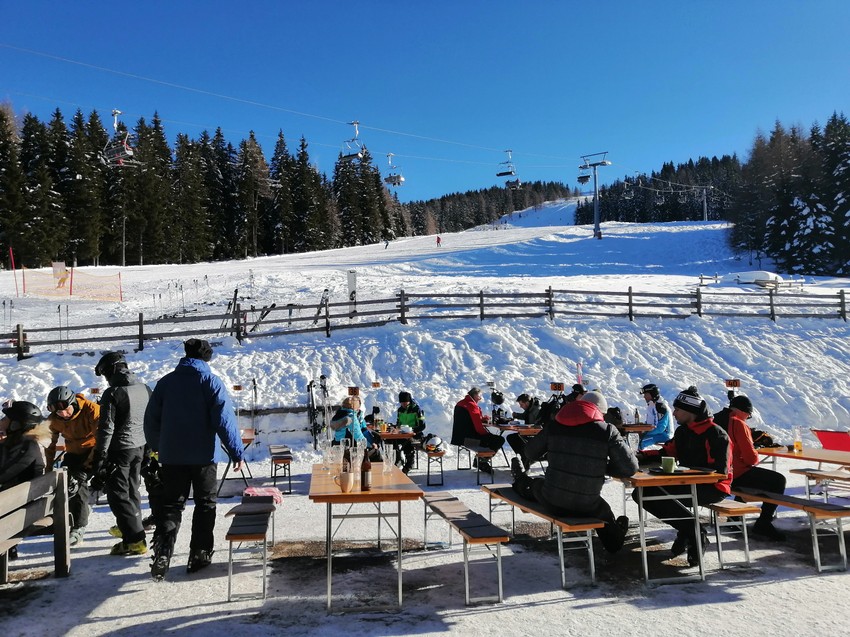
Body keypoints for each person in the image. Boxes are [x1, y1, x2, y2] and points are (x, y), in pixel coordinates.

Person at [144, 338, 244, 581]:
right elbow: (224, 420)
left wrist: (158, 447)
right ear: (207, 358)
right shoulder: (210, 381)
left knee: (171, 505)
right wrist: (236, 451)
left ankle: (163, 551)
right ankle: (199, 554)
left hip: (172, 456)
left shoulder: (166, 383)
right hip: (204, 456)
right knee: (205, 504)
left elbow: (151, 420)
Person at [511, 391, 637, 553]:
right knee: (603, 511)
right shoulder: (607, 431)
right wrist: (601, 465)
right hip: (588, 504)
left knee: (533, 486)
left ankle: (519, 478)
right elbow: (630, 468)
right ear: (599, 412)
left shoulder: (555, 425)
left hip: (552, 500)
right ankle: (614, 541)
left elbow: (530, 453)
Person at [634, 386, 731, 566]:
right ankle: (690, 531)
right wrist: (637, 457)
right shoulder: (683, 431)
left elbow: (720, 472)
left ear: (690, 411)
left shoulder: (715, 433)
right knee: (641, 493)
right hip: (687, 483)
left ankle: (694, 533)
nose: (674, 413)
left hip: (714, 488)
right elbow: (666, 453)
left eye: (677, 409)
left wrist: (686, 474)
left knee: (652, 495)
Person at [92, 352, 151, 557]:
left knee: (118, 495)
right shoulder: (144, 388)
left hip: (119, 450)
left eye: (105, 374)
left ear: (112, 371)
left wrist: (100, 455)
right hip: (140, 446)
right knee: (132, 490)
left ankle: (134, 540)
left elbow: (106, 428)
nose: (106, 379)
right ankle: (131, 525)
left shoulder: (113, 393)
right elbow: (151, 418)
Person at [720, 395, 787, 540]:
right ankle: (764, 522)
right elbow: (751, 458)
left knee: (752, 478)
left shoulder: (716, 419)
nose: (747, 418)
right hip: (733, 475)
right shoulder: (738, 423)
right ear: (743, 411)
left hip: (716, 473)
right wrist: (754, 449)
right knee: (778, 480)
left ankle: (734, 518)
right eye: (748, 416)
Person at [45, 386, 101, 547]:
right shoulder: (54, 419)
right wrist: (48, 468)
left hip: (95, 451)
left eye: (66, 410)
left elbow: (102, 438)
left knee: (79, 481)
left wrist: (88, 465)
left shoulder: (91, 410)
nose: (63, 414)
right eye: (59, 413)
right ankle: (76, 517)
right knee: (68, 484)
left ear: (73, 403)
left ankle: (79, 525)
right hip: (73, 453)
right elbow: (49, 444)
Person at [450, 387, 503, 474]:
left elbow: (468, 419)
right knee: (499, 440)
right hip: (469, 439)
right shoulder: (471, 405)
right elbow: (479, 428)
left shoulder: (461, 403)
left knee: (492, 439)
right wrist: (488, 434)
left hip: (459, 438)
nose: (480, 398)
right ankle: (482, 461)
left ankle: (479, 460)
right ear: (475, 395)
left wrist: (481, 419)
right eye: (479, 396)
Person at [0, 401, 50, 491]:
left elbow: (4, 473)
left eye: (6, 418)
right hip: (13, 494)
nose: (1, 421)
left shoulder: (27, 447)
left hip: (16, 497)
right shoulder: (15, 442)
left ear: (16, 424)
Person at [506, 393, 541, 470]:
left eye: (521, 404)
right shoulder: (530, 408)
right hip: (528, 432)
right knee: (511, 437)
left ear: (527, 403)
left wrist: (529, 427)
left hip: (536, 435)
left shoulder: (537, 410)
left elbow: (539, 425)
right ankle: (525, 457)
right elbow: (525, 416)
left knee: (517, 439)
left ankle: (526, 458)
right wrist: (516, 415)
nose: (520, 406)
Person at [395, 391, 426, 474]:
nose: (403, 404)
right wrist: (396, 428)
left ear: (409, 401)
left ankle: (409, 464)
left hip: (416, 434)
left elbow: (422, 426)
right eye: (402, 402)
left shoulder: (416, 409)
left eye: (405, 402)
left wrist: (412, 431)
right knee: (392, 442)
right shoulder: (400, 410)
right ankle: (397, 460)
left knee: (407, 443)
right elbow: (398, 423)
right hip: (403, 434)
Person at [639, 383, 674, 449]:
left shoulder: (661, 407)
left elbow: (661, 428)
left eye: (646, 394)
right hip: (656, 434)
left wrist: (645, 433)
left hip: (664, 435)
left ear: (652, 394)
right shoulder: (652, 405)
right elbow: (651, 423)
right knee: (635, 439)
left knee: (640, 442)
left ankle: (638, 455)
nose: (644, 397)